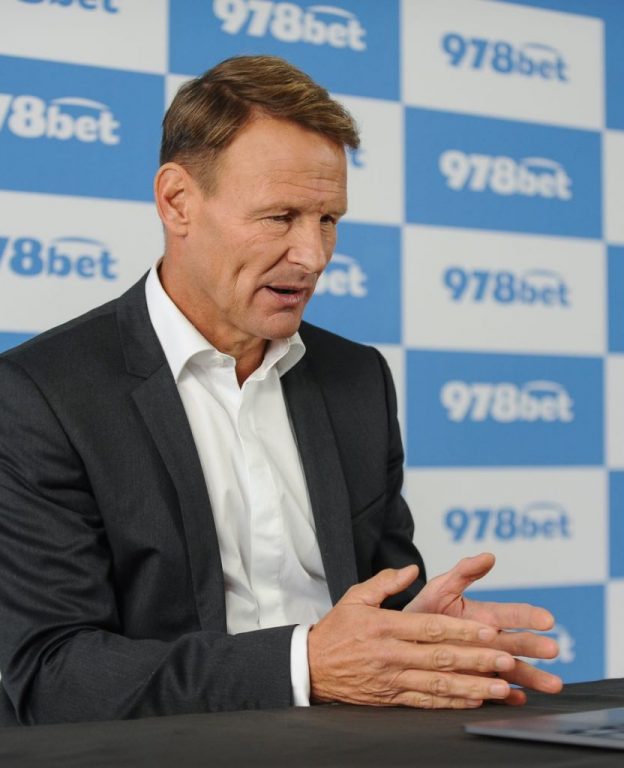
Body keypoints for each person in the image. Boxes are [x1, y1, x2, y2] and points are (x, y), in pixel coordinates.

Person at [0, 55, 562, 725]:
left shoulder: (359, 379)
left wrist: (421, 634)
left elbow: (374, 608)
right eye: (280, 217)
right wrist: (304, 667)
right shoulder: (40, 395)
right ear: (177, 202)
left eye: (328, 220)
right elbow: (52, 676)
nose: (313, 256)